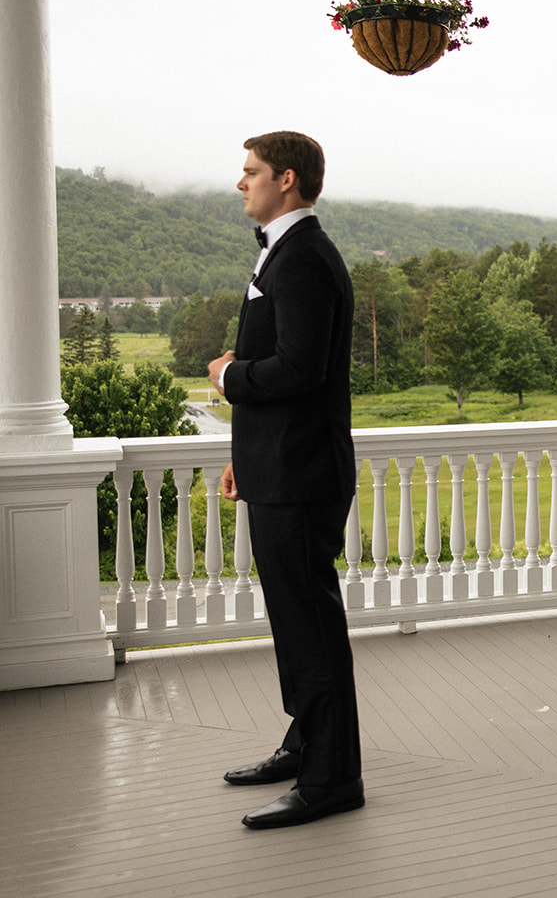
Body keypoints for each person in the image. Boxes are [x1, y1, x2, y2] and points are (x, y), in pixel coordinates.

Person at [207, 131, 363, 827]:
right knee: (292, 623)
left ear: (287, 180)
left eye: (252, 172)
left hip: (303, 474)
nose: (242, 183)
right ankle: (304, 746)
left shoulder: (302, 260)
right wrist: (247, 455)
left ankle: (332, 779)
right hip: (280, 467)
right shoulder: (283, 253)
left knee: (312, 626)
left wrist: (227, 378)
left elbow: (300, 371)